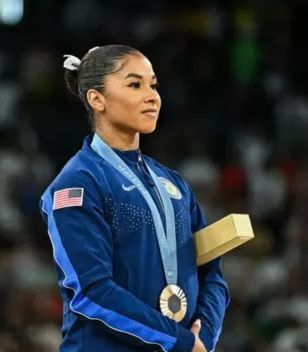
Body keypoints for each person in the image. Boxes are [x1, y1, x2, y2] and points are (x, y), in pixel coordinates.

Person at [39, 45, 230, 352]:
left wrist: (203, 336)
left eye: (153, 85)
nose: (152, 95)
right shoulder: (78, 183)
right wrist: (179, 340)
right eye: (134, 84)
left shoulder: (174, 184)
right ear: (96, 99)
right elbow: (91, 291)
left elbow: (212, 273)